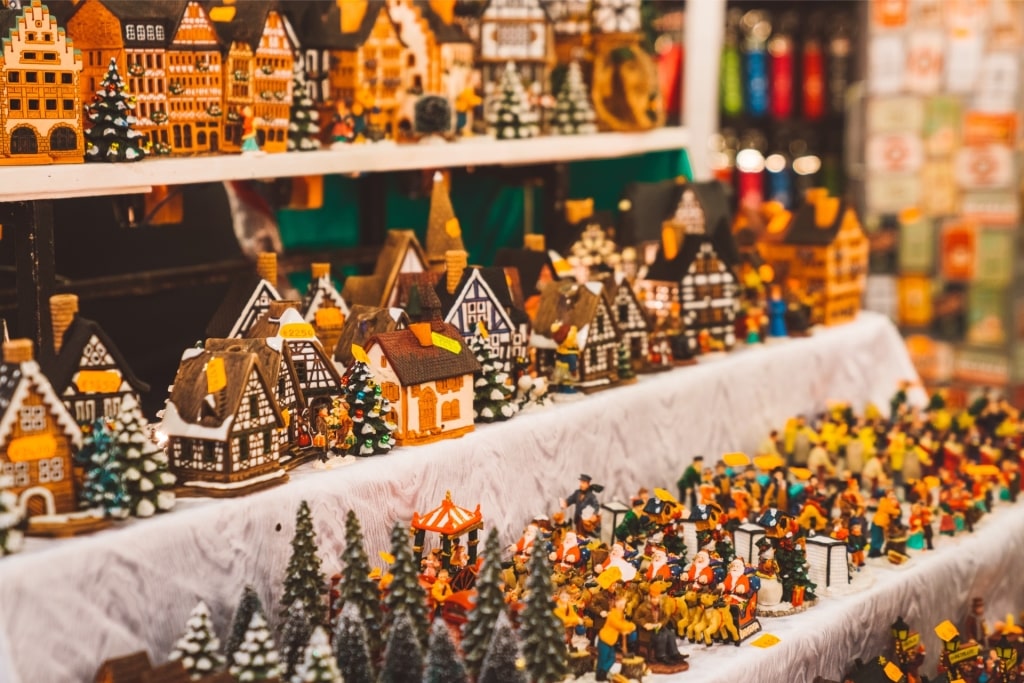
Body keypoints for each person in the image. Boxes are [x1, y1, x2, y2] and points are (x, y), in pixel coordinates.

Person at [633, 585, 686, 665]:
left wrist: (661, 623)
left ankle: (674, 653)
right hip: (647, 632)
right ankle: (661, 655)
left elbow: (666, 617)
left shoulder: (661, 606)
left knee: (670, 634)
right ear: (649, 598)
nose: (655, 600)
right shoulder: (643, 607)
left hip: (658, 627)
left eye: (657, 598)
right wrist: (645, 624)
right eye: (653, 598)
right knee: (662, 636)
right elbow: (636, 618)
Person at [596, 594, 636, 681]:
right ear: (616, 603)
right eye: (620, 604)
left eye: (623, 604)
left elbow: (623, 624)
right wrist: (631, 626)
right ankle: (600, 674)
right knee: (603, 658)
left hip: (611, 641)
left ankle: (602, 672)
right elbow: (620, 625)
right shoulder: (612, 614)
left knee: (611, 658)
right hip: (604, 639)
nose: (622, 606)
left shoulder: (619, 614)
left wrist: (627, 627)